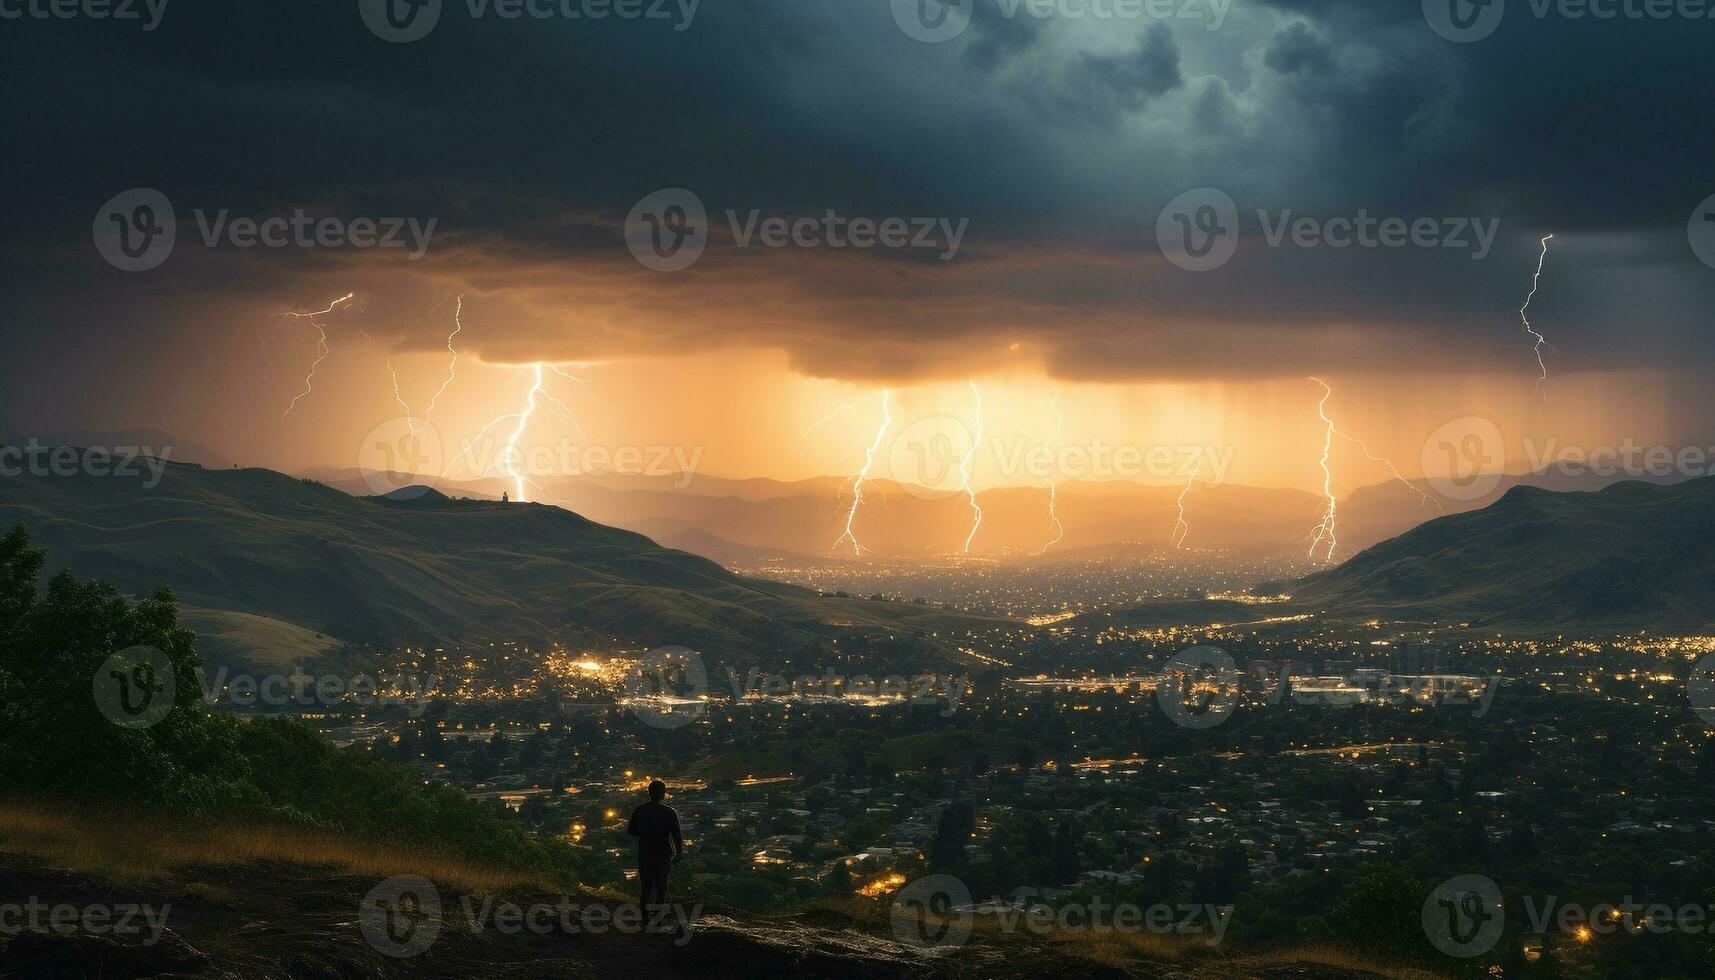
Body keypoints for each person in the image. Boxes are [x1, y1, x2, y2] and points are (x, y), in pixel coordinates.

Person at [627, 779, 684, 916]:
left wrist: (644, 833)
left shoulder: (639, 810)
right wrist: (679, 853)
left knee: (646, 888)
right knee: (661, 889)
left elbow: (631, 831)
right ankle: (658, 922)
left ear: (649, 793)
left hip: (645, 853)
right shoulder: (669, 812)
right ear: (663, 794)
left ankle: (645, 921)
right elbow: (676, 835)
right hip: (663, 854)